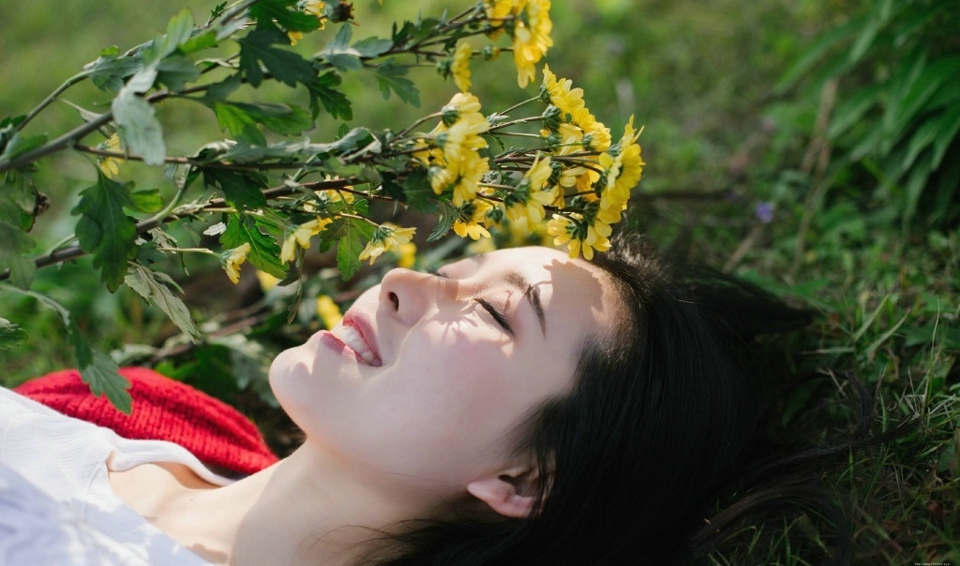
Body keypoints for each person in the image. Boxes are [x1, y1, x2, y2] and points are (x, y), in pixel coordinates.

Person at [1, 236, 849, 566]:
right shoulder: (133, 414)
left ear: (524, 476)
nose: (400, 282)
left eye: (490, 312)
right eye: (452, 271)